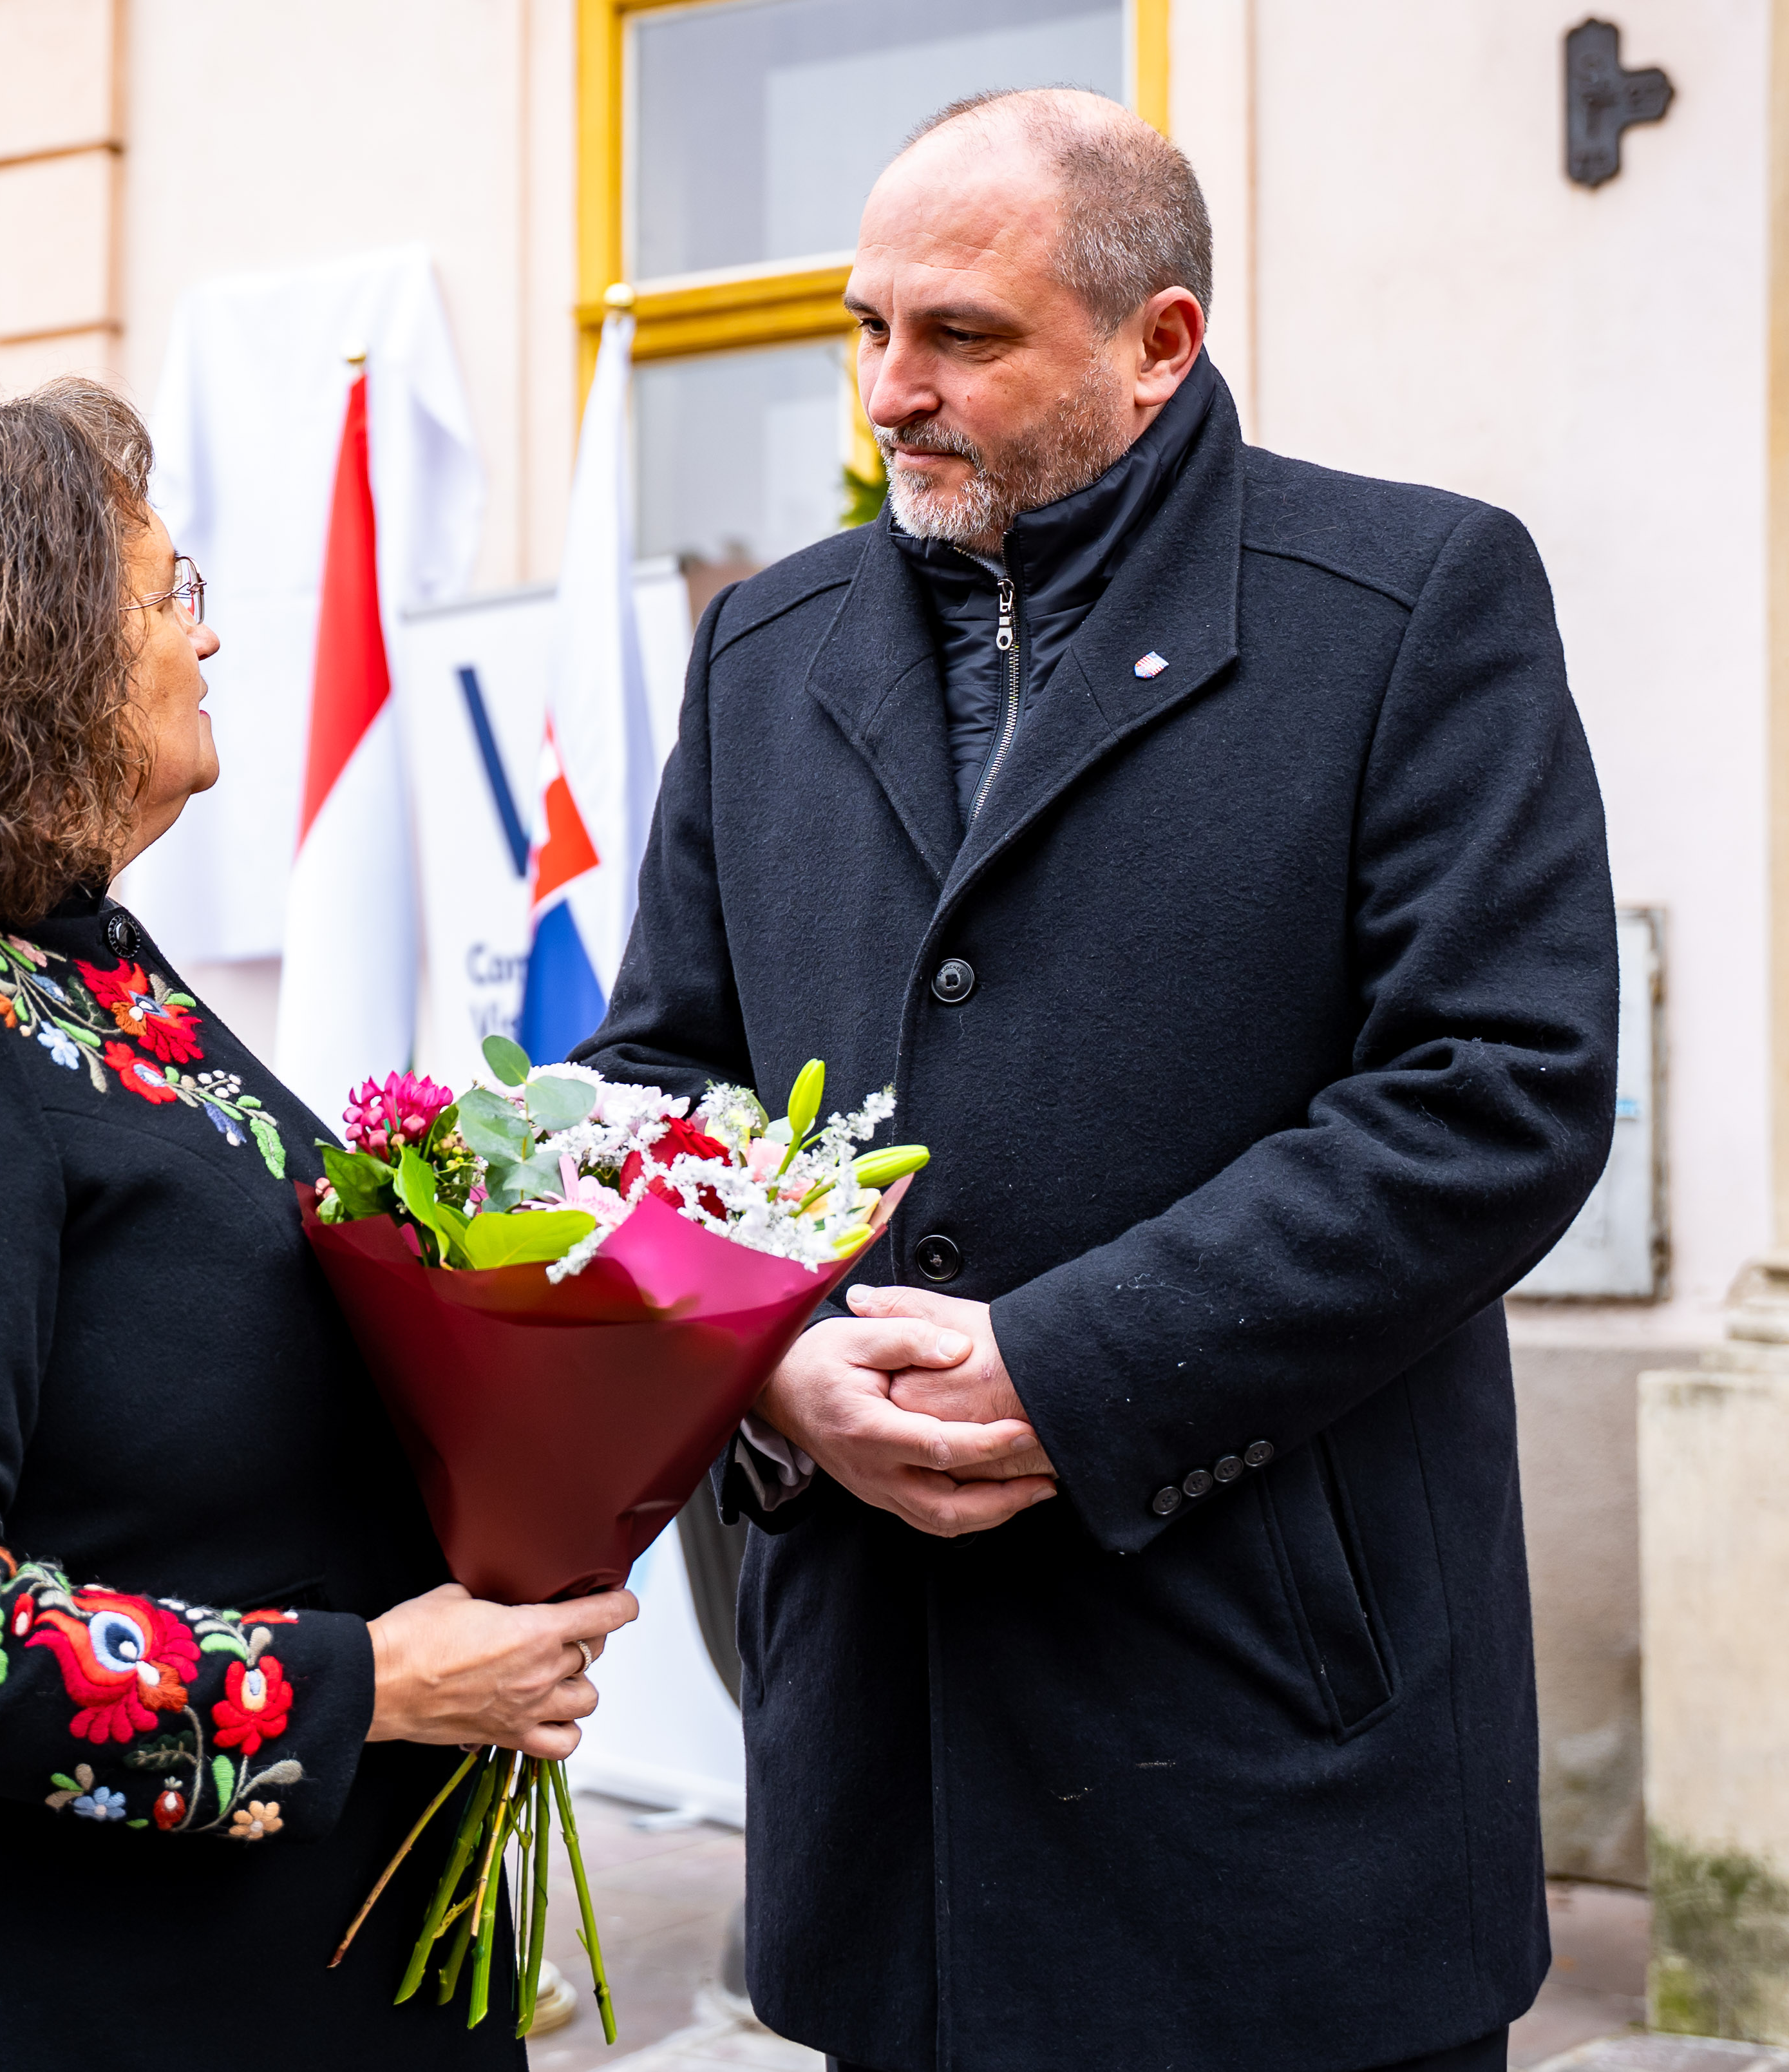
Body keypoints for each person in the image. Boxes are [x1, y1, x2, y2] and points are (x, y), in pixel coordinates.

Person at [580, 89, 1618, 2072]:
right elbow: (653, 1081)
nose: (893, 387)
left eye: (960, 335)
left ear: (1159, 343)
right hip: (884, 1760)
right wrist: (771, 1355)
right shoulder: (763, 649)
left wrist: (1073, 1368)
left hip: (1271, 1748)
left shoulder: (1411, 601)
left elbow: (1497, 1089)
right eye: (868, 326)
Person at [0, 380, 634, 2069]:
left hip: (248, 1960)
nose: (206, 640)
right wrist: (372, 1688)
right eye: (167, 592)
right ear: (20, 650)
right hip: (42, 1989)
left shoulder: (94, 971)